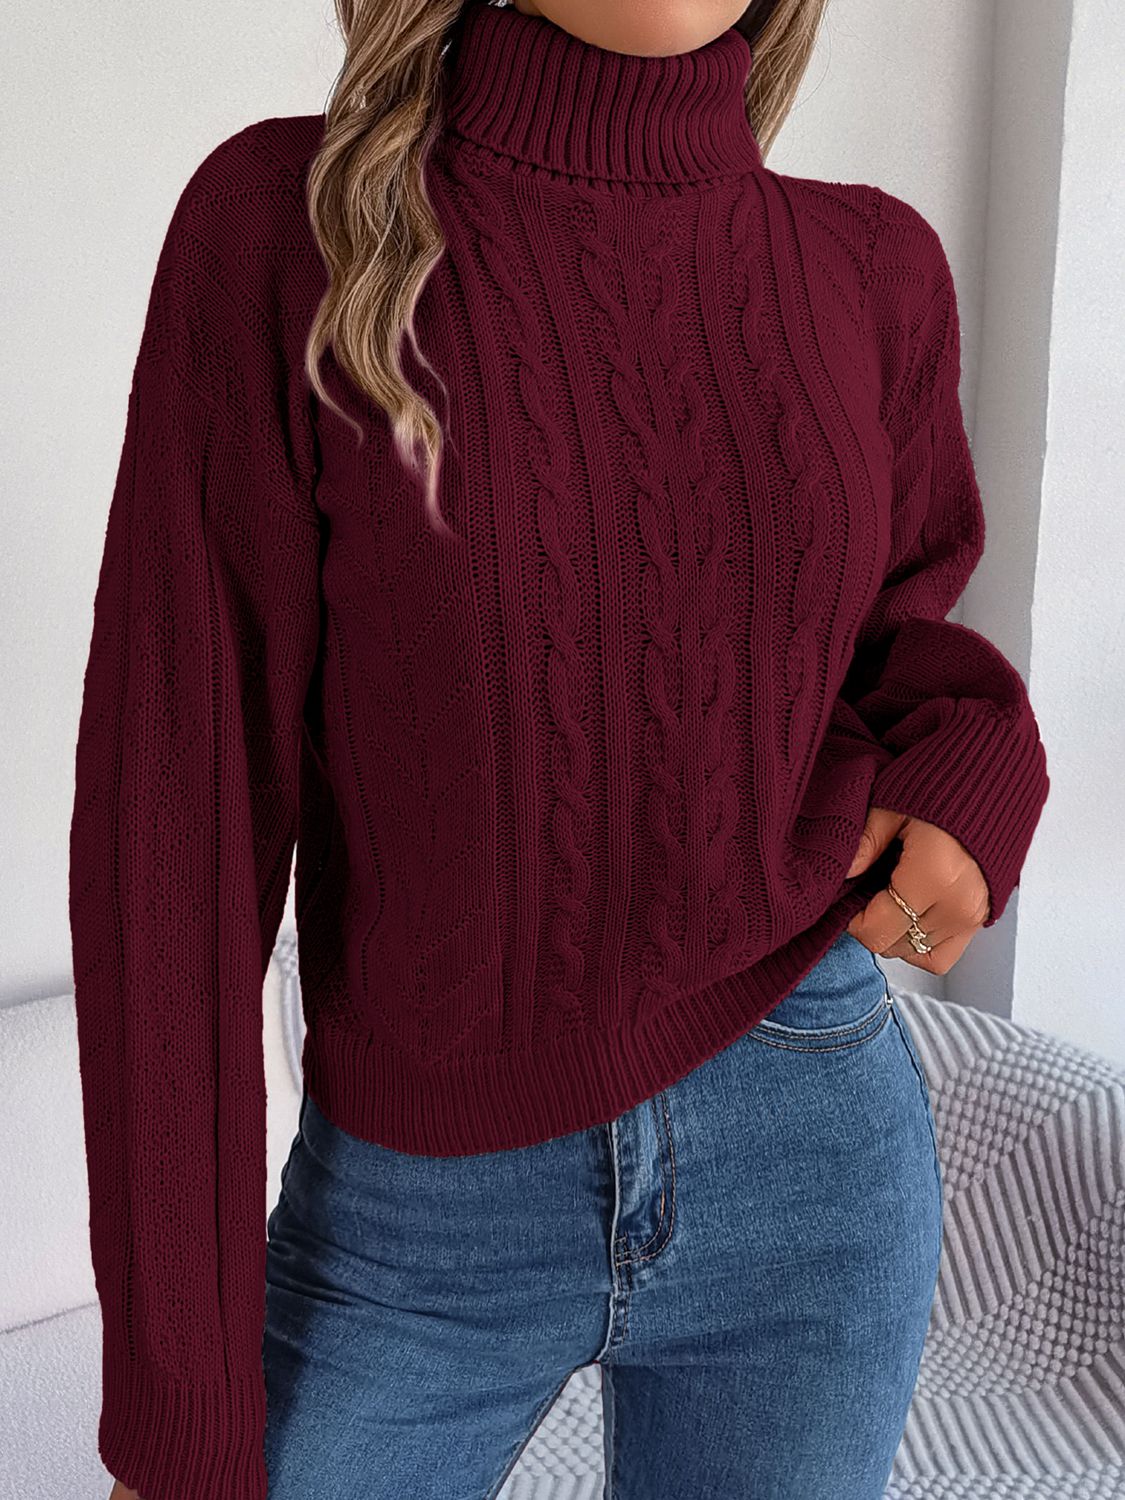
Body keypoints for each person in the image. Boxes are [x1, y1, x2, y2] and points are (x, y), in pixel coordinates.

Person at [69, 1, 1051, 1496]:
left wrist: (971, 776)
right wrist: (176, 1411)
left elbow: (904, 641)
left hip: (811, 1155)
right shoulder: (292, 229)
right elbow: (171, 840)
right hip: (416, 1212)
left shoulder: (873, 265)